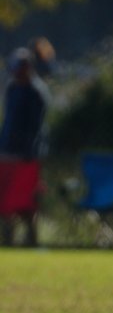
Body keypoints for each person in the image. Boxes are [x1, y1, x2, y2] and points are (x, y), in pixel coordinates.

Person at [0, 48, 48, 247]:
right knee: (5, 201)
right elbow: (7, 123)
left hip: (27, 157)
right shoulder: (12, 89)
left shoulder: (35, 92)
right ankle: (7, 240)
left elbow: (35, 127)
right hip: (7, 154)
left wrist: (29, 152)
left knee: (26, 201)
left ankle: (31, 240)